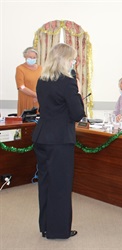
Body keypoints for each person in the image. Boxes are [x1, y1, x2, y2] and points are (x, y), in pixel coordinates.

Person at [32, 43, 85, 239]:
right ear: (65, 60)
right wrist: (78, 91)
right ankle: (58, 230)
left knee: (45, 183)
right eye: (72, 59)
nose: (74, 62)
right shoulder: (67, 81)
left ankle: (46, 226)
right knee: (61, 185)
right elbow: (77, 113)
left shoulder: (42, 80)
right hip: (60, 140)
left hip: (42, 137)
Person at [15, 47, 42, 115]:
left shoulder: (40, 68)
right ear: (25, 57)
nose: (32, 59)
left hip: (39, 100)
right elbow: (21, 87)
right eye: (30, 57)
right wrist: (35, 95)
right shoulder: (20, 69)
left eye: (34, 57)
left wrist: (40, 95)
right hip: (26, 99)